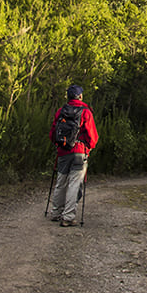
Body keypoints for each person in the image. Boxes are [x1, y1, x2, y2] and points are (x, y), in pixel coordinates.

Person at [47, 84, 98, 227]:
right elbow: (92, 136)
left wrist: (57, 145)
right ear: (80, 96)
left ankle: (56, 212)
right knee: (74, 183)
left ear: (68, 97)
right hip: (79, 151)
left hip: (63, 151)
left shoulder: (61, 111)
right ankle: (68, 216)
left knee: (61, 182)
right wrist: (90, 147)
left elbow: (53, 132)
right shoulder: (85, 112)